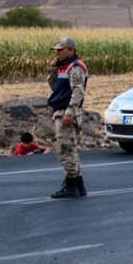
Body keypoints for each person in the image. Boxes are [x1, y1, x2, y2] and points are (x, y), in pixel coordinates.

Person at [46, 36, 89, 200]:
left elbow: (78, 91)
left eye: (60, 50)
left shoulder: (75, 67)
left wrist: (70, 112)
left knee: (65, 149)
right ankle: (76, 185)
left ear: (70, 50)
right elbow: (55, 88)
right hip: (61, 109)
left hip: (67, 111)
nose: (57, 53)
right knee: (67, 148)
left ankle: (73, 185)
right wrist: (52, 70)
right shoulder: (64, 67)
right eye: (56, 50)